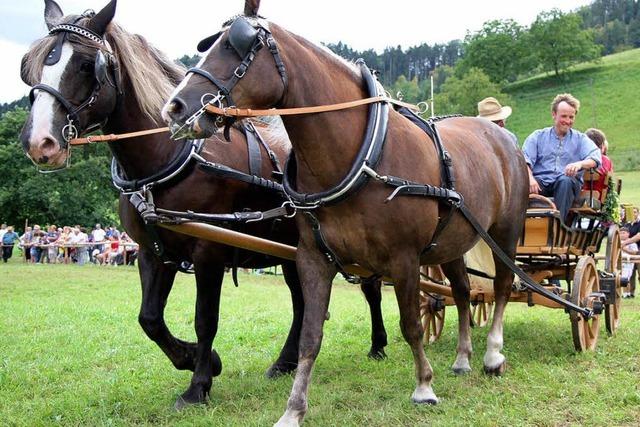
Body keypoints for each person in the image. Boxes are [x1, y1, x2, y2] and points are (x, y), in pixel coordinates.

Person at [522, 93, 602, 224]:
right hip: (540, 183)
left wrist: (580, 164)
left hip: (566, 184)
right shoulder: (537, 136)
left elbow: (596, 157)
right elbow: (524, 160)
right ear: (554, 114)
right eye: (564, 116)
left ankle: (558, 225)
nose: (568, 120)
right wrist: (530, 179)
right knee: (522, 184)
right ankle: (521, 228)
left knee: (565, 181)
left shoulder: (580, 139)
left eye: (571, 117)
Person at [583, 128, 613, 195]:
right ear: (602, 145)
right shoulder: (607, 160)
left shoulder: (584, 161)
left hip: (587, 199)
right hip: (603, 198)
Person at [620, 227, 638, 298]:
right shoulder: (617, 241)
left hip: (628, 262)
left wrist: (625, 249)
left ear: (628, 234)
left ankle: (626, 294)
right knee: (621, 278)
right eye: (620, 233)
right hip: (619, 262)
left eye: (624, 233)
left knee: (625, 278)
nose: (622, 235)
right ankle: (626, 293)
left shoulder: (632, 242)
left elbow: (635, 252)